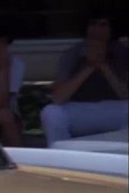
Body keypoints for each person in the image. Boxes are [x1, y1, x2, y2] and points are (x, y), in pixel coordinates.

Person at [40, 8, 128, 146]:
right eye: (93, 24)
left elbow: (125, 94)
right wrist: (89, 66)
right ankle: (62, 161)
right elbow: (58, 97)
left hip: (113, 109)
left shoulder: (121, 53)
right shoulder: (72, 54)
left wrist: (104, 65)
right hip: (80, 109)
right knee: (51, 113)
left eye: (103, 25)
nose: (97, 29)